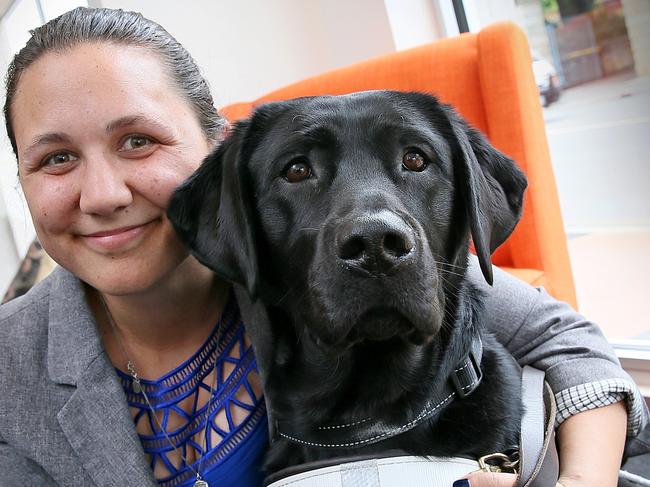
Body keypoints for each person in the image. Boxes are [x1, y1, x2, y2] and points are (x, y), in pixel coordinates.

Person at [0, 7, 643, 487]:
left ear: (217, 151)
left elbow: (570, 342)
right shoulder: (10, 373)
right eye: (56, 158)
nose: (103, 193)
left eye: (138, 140)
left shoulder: (289, 268)